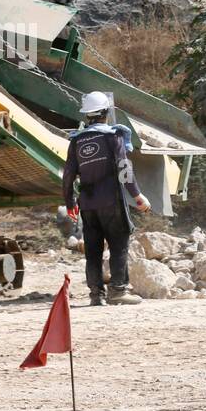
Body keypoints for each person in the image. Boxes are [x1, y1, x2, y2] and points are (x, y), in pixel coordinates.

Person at [63, 91, 151, 306]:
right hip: (111, 202)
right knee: (119, 244)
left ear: (87, 116)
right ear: (105, 112)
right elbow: (124, 167)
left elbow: (68, 175)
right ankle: (118, 291)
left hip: (88, 205)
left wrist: (69, 202)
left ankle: (96, 295)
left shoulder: (76, 141)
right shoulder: (113, 136)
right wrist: (137, 195)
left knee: (93, 249)